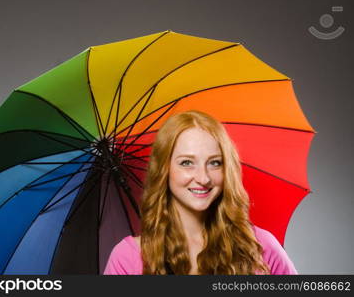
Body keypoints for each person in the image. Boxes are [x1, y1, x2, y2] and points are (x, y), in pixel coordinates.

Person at [104, 110, 297, 275]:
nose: (203, 178)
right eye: (187, 163)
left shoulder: (261, 247)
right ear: (164, 169)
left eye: (214, 162)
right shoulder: (128, 258)